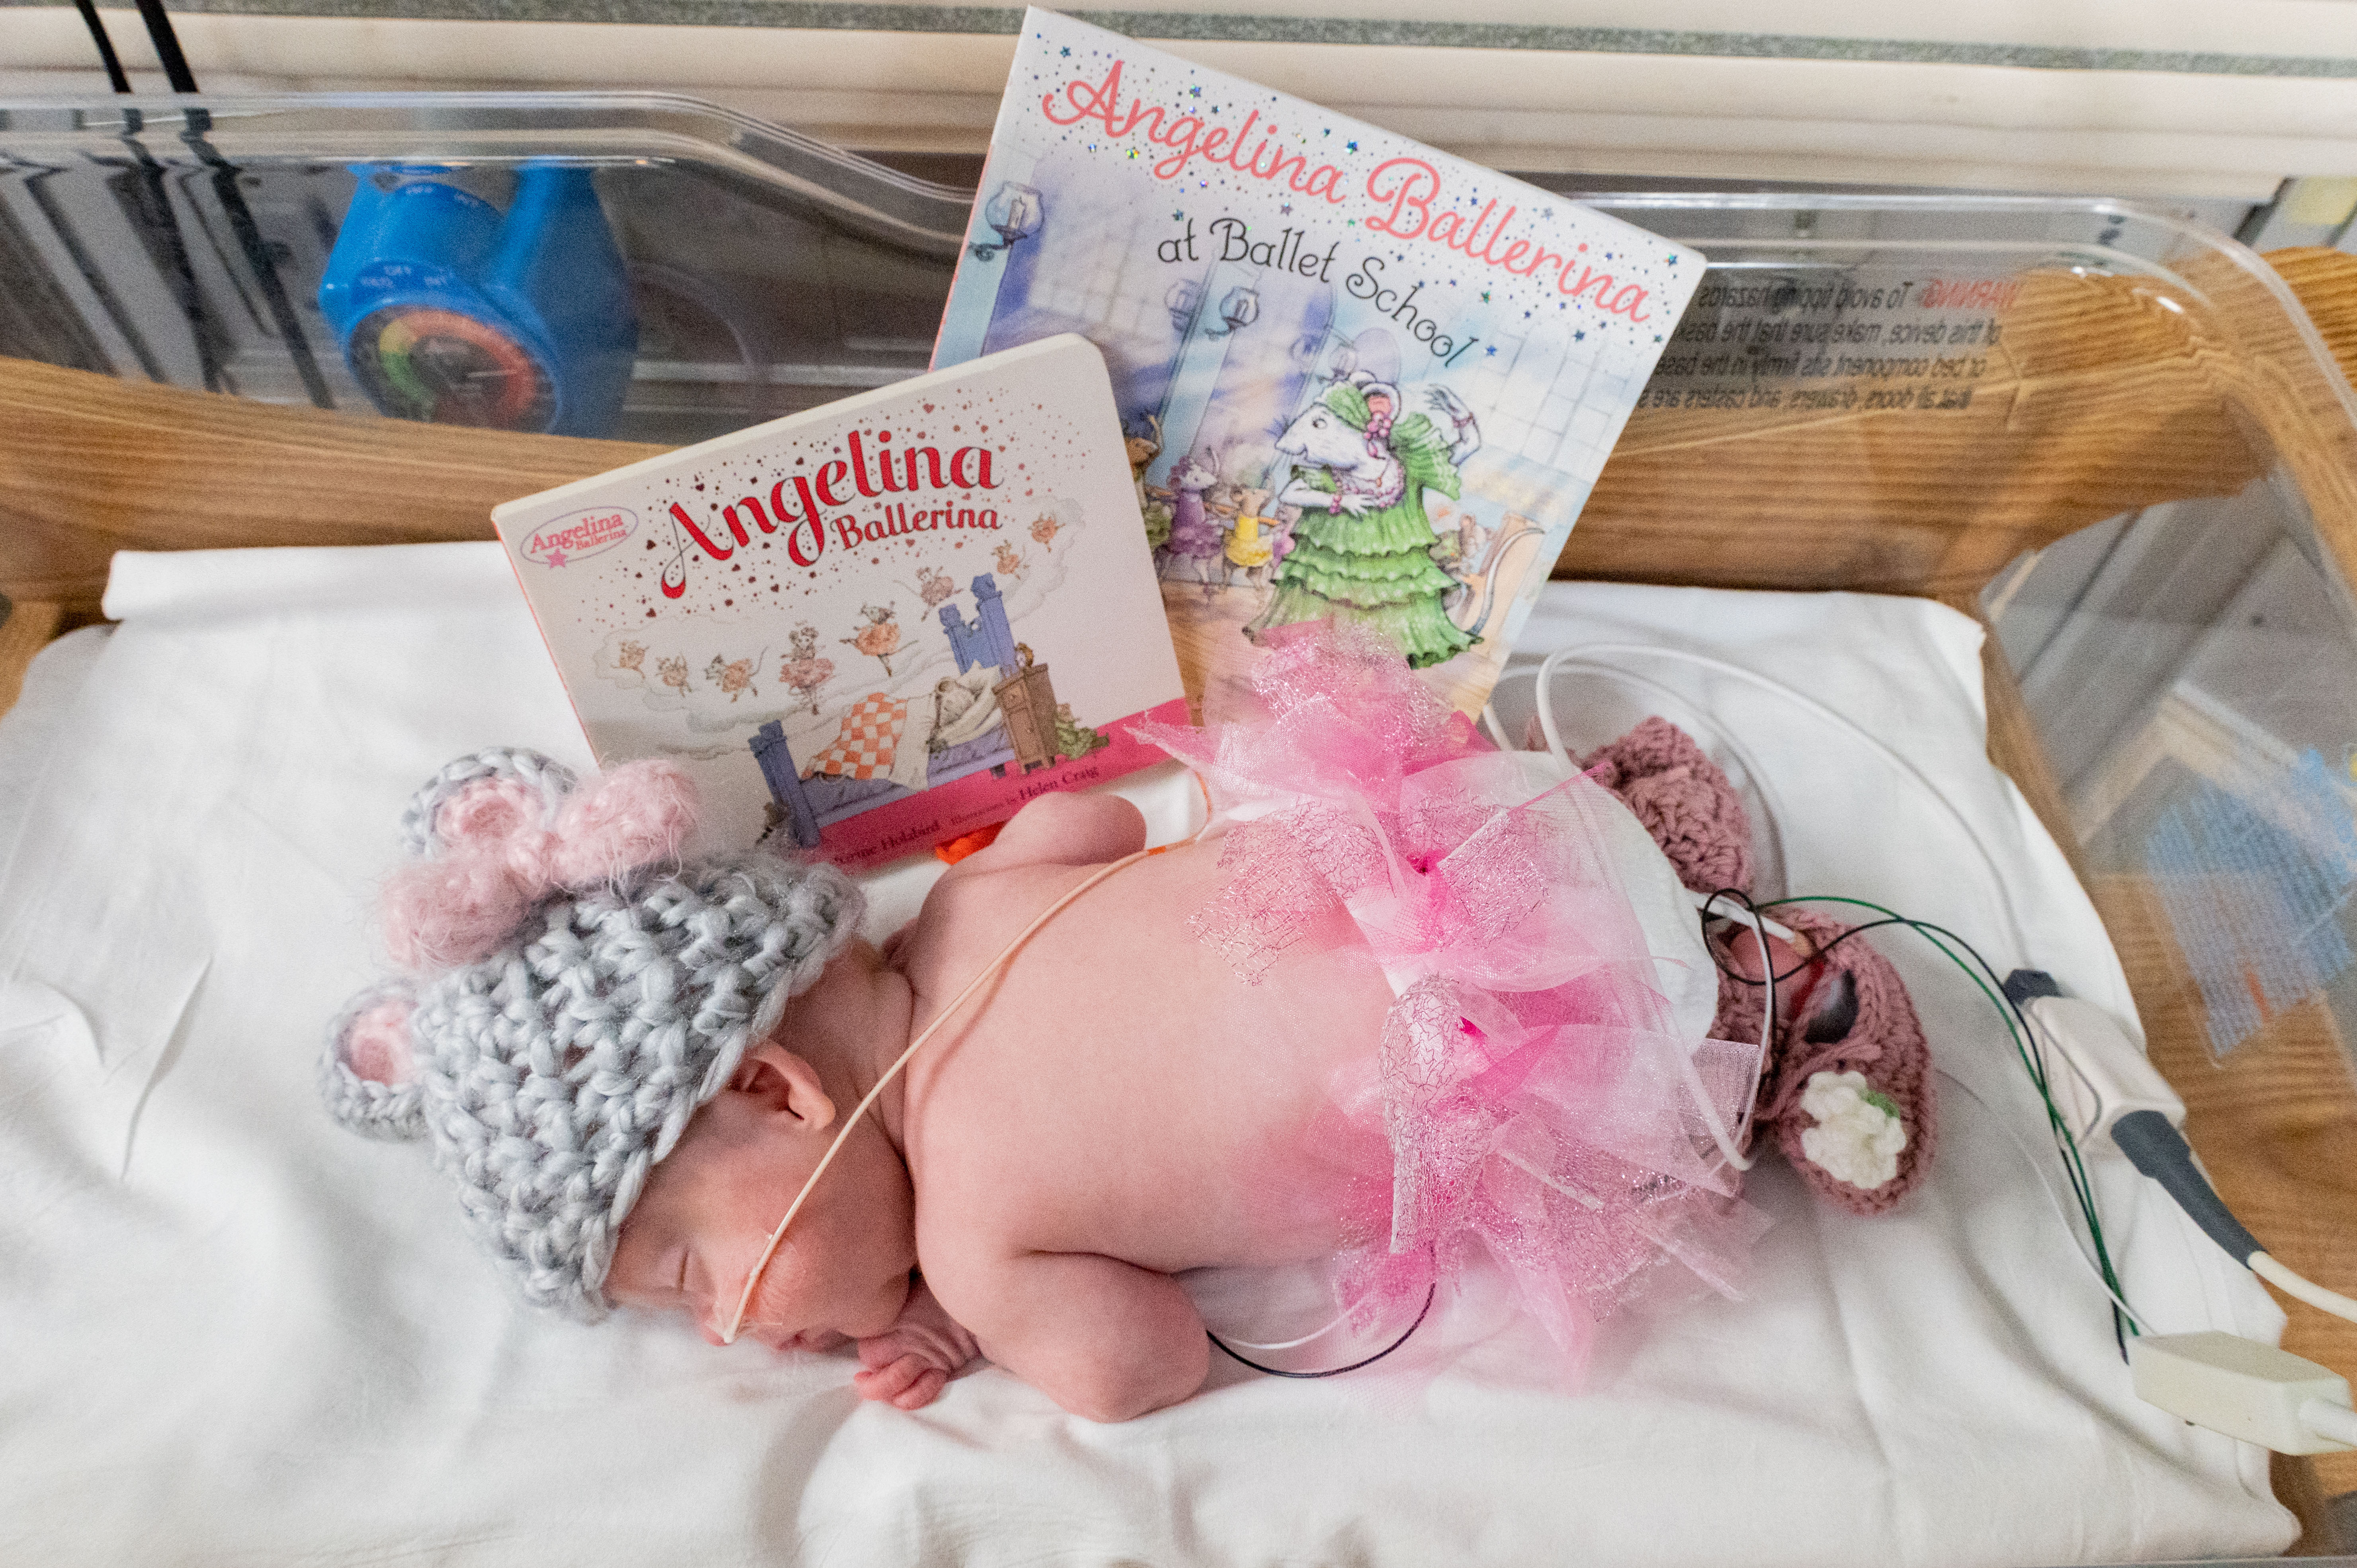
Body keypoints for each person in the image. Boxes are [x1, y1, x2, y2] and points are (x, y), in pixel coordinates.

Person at [322, 627, 1932, 1422]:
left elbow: (1138, 1368)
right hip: (1469, 845)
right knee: (1514, 857)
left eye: (690, 1275)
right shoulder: (963, 915)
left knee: (1676, 1082)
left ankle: (1795, 1007)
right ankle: (1652, 818)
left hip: (1524, 1055)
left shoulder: (976, 1234)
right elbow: (1092, 825)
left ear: (776, 1087)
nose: (727, 1333)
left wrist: (971, 1320)